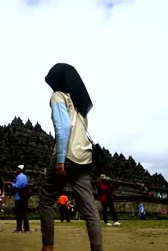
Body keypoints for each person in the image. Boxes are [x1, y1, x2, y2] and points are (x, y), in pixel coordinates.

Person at [40, 63, 103, 251]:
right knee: (89, 207)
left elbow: (64, 127)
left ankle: (48, 247)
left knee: (45, 199)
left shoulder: (57, 96)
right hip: (84, 157)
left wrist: (60, 160)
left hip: (67, 155)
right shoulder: (79, 104)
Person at [10, 164, 30, 233]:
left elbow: (17, 186)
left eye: (17, 169)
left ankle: (19, 228)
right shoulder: (24, 177)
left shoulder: (20, 176)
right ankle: (26, 228)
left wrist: (11, 184)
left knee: (19, 213)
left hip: (19, 197)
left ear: (20, 169)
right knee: (24, 213)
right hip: (24, 197)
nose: (16, 170)